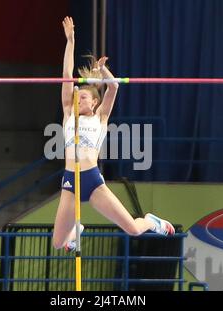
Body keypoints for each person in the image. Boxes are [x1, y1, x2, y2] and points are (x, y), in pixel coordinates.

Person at [52, 17, 175, 252]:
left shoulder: (100, 117)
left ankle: (152, 221)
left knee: (133, 228)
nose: (78, 100)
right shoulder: (69, 114)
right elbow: (67, 75)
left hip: (91, 180)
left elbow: (114, 87)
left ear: (95, 102)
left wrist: (103, 70)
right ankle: (76, 231)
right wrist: (70, 41)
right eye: (77, 97)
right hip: (70, 180)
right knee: (58, 243)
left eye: (84, 97)